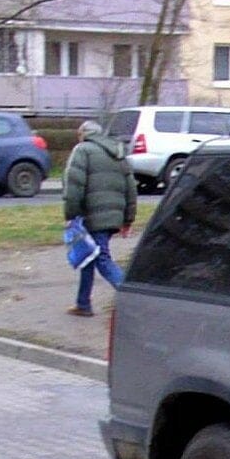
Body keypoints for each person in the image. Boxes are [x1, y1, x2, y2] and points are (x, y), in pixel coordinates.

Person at [62, 120, 137, 318]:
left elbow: (74, 186)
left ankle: (133, 296)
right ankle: (83, 304)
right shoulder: (118, 153)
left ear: (84, 134)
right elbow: (131, 189)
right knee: (89, 257)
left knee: (101, 258)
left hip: (93, 216)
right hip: (114, 216)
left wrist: (71, 216)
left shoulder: (83, 150)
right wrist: (128, 219)